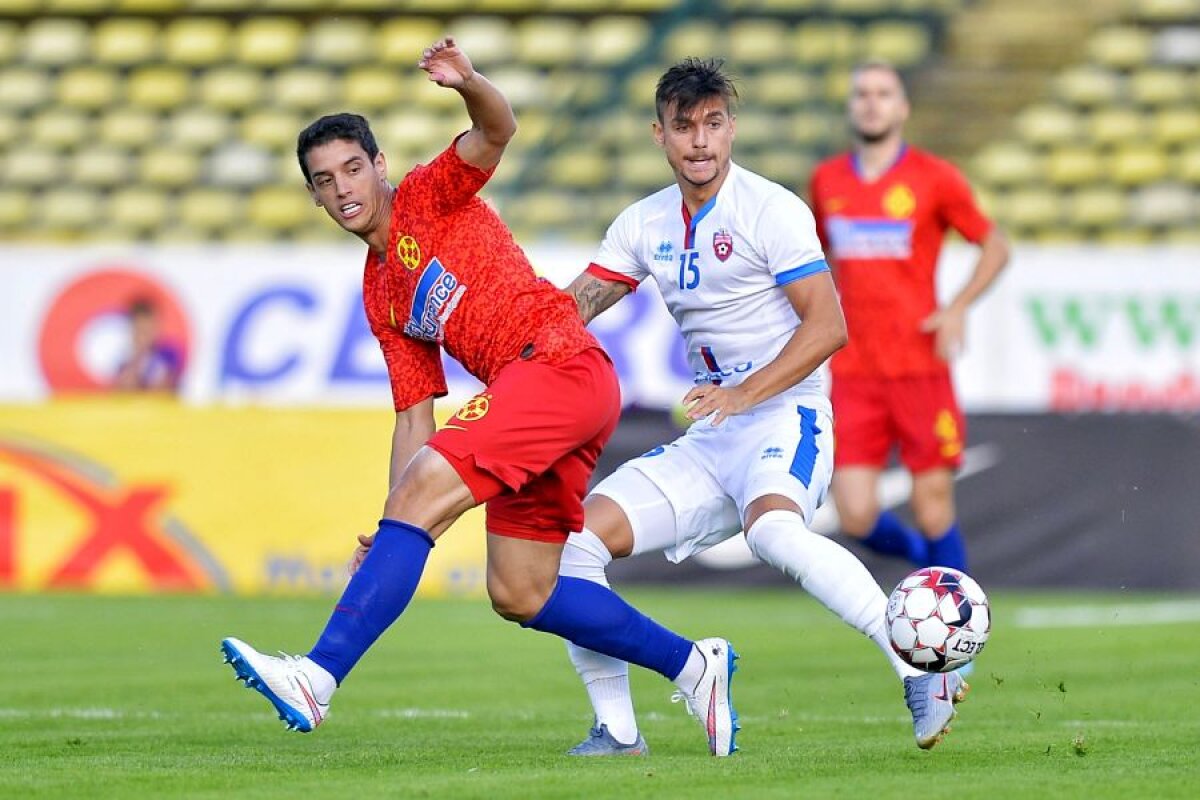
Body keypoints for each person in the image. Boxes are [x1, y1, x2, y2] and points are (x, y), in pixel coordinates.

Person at [219, 38, 739, 757]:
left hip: (555, 364)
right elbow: (413, 415)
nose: (342, 189)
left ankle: (317, 677)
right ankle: (694, 664)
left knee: (430, 503)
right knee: (520, 591)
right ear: (311, 194)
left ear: (379, 166)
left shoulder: (430, 194)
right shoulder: (379, 293)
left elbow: (498, 130)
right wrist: (393, 512)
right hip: (544, 394)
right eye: (323, 179)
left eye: (351, 168)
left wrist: (468, 83)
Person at [556, 58, 965, 756]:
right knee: (571, 549)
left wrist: (744, 392)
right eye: (684, 127)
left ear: (732, 129)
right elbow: (571, 312)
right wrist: (506, 342)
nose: (700, 142)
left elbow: (828, 326)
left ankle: (919, 670)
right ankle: (619, 731)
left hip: (788, 416)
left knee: (774, 534)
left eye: (713, 124)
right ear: (660, 134)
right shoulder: (643, 223)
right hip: (712, 434)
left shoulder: (771, 209)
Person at [808, 61, 1009, 574]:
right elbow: (812, 263)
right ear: (851, 106)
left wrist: (957, 308)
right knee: (853, 513)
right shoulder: (827, 180)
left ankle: (957, 629)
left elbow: (995, 245)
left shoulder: (934, 178)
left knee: (932, 504)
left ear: (902, 108)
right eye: (862, 93)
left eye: (883, 93)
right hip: (853, 369)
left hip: (920, 364)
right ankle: (930, 571)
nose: (871, 102)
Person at [111, 297, 183, 393]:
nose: (143, 335)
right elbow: (122, 389)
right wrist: (138, 356)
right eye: (139, 329)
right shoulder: (124, 358)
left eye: (147, 329)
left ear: (156, 328)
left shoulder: (168, 354)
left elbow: (164, 388)